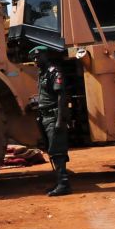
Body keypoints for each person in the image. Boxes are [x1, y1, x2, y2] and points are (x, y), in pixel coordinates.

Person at [30, 45, 71, 196]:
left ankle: (64, 184)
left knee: (58, 151)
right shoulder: (43, 73)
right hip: (45, 115)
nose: (35, 60)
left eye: (37, 57)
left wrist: (60, 120)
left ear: (45, 56)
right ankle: (59, 182)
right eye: (34, 57)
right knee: (52, 151)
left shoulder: (54, 72)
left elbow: (61, 97)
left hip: (53, 116)